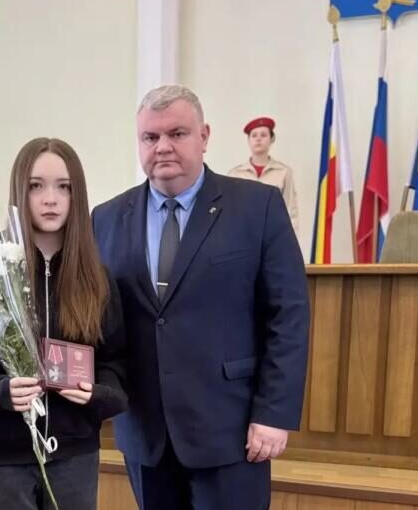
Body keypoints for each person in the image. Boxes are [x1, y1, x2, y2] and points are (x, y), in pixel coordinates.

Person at [92, 85, 309, 510]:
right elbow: (96, 316)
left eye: (177, 133)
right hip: (145, 433)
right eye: (150, 137)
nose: (163, 147)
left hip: (231, 430)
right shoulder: (107, 218)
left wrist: (273, 413)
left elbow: (288, 315)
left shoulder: (257, 206)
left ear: (204, 136)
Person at [0, 138, 128, 510]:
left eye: (63, 187)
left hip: (73, 454)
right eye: (36, 186)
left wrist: (98, 393)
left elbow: (116, 361)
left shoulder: (96, 277)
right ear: (20, 192)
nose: (50, 199)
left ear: (77, 194)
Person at [228, 117, 299, 234]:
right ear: (248, 140)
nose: (258, 139)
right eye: (254, 135)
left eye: (263, 135)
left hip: (274, 234)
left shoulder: (283, 172)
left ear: (271, 139)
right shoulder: (235, 174)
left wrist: (291, 239)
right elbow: (230, 211)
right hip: (244, 234)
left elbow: (291, 210)